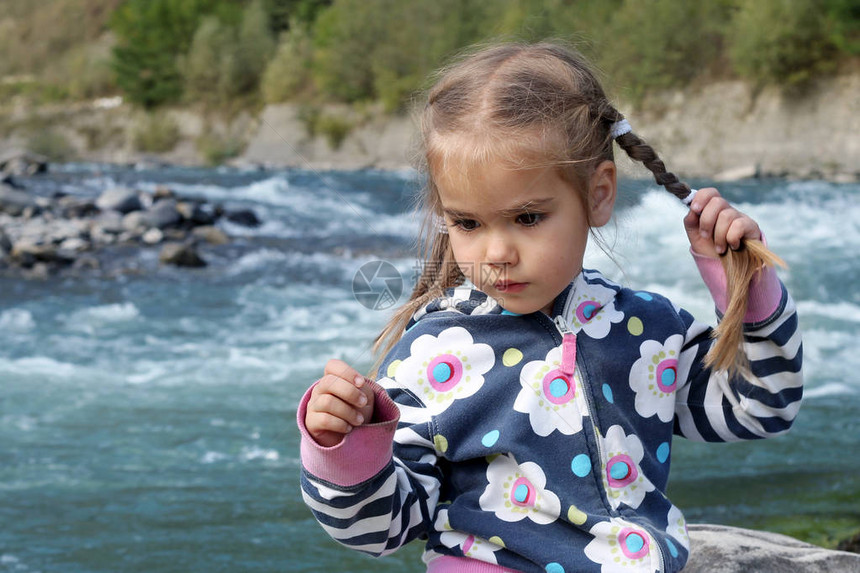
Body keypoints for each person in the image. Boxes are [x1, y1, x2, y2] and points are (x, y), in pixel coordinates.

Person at [296, 42, 803, 573]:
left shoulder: (649, 331)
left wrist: (745, 283)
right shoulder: (433, 353)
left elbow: (761, 407)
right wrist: (344, 451)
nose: (496, 253)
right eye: (468, 223)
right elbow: (382, 529)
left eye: (528, 218)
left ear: (599, 194)